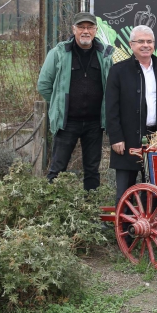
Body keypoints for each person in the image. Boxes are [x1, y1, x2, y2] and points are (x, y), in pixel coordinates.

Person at [37, 12, 113, 190]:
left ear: (95, 30)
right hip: (67, 123)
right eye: (81, 27)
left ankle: (90, 206)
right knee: (57, 168)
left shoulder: (105, 54)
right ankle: (51, 206)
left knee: (92, 170)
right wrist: (59, 104)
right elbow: (44, 85)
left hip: (95, 124)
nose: (85, 31)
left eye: (89, 27)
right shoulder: (59, 53)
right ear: (73, 29)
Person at [106, 25, 157, 207]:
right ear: (131, 44)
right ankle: (125, 231)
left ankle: (149, 229)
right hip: (127, 138)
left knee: (154, 187)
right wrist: (116, 137)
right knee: (125, 190)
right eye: (141, 42)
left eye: (149, 41)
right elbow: (111, 107)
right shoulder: (118, 71)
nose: (145, 45)